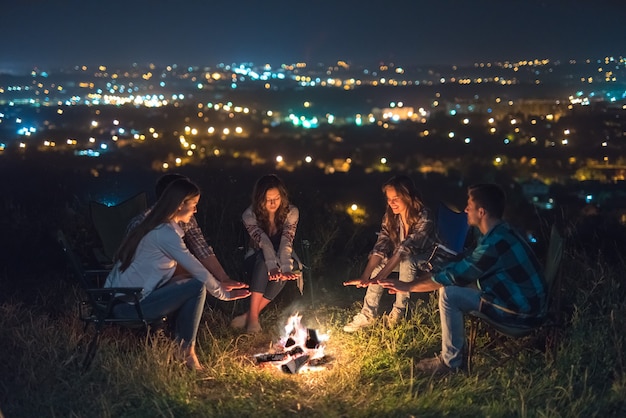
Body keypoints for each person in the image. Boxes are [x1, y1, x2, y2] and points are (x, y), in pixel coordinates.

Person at [379, 183, 547, 374]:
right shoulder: (501, 231)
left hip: (521, 314)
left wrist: (407, 286)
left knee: (450, 293)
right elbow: (464, 264)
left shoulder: (494, 244)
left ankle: (451, 364)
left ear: (481, 212)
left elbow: (454, 276)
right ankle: (453, 357)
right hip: (524, 302)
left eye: (470, 206)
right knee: (452, 286)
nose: (466, 209)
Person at [105, 177, 250, 370]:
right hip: (128, 308)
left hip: (120, 301)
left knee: (188, 281)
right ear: (180, 205)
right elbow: (198, 271)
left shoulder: (156, 225)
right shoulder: (164, 233)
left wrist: (221, 281)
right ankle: (185, 351)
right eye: (194, 205)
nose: (196, 210)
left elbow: (198, 259)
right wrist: (224, 294)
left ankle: (179, 344)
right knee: (196, 285)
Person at [342, 175, 440, 332]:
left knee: (407, 260)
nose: (391, 202)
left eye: (396, 198)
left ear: (408, 197)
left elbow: (405, 250)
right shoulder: (391, 217)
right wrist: (365, 277)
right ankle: (367, 315)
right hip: (403, 258)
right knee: (380, 263)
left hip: (428, 260)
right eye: (389, 198)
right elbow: (380, 246)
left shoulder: (424, 215)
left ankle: (399, 313)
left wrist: (379, 278)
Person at [128, 173, 243, 290]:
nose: (195, 210)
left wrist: (223, 278)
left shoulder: (186, 217)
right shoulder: (144, 223)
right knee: (197, 280)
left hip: (168, 270)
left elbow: (201, 247)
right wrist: (211, 284)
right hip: (146, 280)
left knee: (199, 277)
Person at [230, 174, 301, 334]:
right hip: (255, 257)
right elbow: (264, 242)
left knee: (285, 271)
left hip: (282, 256)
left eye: (276, 198)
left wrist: (285, 267)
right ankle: (253, 321)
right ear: (259, 199)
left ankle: (249, 315)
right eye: (268, 199)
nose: (273, 203)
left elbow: (286, 241)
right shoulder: (249, 215)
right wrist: (272, 266)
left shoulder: (291, 211)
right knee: (264, 260)